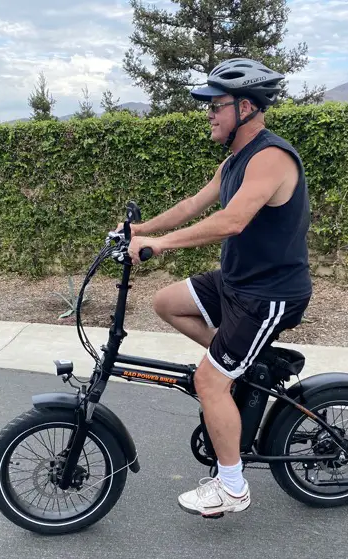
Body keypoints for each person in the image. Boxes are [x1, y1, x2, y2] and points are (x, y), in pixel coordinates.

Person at [124, 58, 312, 517]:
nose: (208, 113)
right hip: (235, 282)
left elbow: (232, 220)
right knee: (166, 302)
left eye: (216, 105)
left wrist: (160, 245)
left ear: (245, 107)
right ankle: (239, 362)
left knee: (210, 380)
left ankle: (232, 488)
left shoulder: (271, 158)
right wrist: (138, 230)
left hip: (269, 294)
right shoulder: (234, 162)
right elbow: (193, 204)